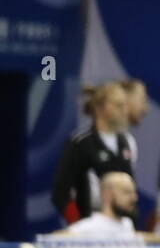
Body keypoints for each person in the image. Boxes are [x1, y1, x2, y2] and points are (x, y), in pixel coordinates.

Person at [51, 82, 136, 223]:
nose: (124, 111)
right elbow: (61, 194)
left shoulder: (127, 142)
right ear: (100, 108)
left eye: (125, 105)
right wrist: (79, 226)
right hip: (89, 223)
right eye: (118, 105)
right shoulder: (80, 143)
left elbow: (129, 187)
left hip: (121, 227)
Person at [54, 171, 160, 248]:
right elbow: (53, 240)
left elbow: (133, 237)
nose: (134, 198)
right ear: (107, 195)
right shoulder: (92, 226)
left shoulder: (125, 223)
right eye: (127, 192)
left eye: (133, 192)